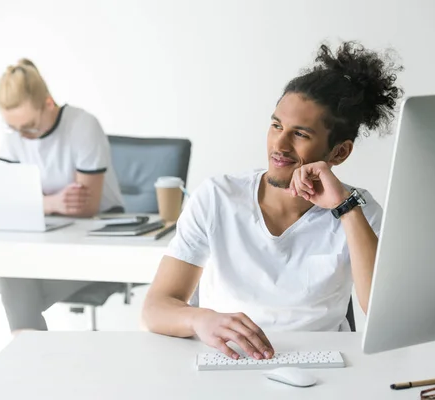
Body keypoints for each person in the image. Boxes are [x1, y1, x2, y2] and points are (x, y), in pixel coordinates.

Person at [142, 41, 403, 360]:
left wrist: (345, 209)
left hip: (321, 366)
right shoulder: (216, 197)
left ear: (339, 152)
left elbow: (383, 316)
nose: (278, 144)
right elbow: (155, 308)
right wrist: (200, 319)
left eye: (300, 134)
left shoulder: (358, 209)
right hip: (229, 360)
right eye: (276, 125)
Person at [0, 58, 125, 333]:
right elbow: (7, 202)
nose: (22, 137)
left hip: (99, 239)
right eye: (14, 128)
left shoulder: (82, 125)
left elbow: (85, 206)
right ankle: (37, 365)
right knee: (14, 277)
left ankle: (33, 366)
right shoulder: (14, 137)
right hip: (49, 239)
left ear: (49, 104)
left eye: (28, 126)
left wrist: (33, 203)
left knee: (14, 283)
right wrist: (53, 203)